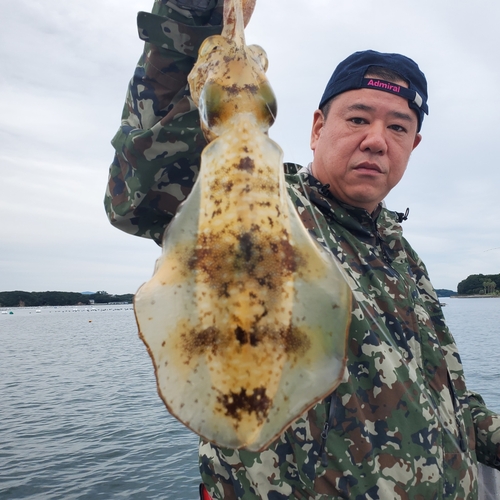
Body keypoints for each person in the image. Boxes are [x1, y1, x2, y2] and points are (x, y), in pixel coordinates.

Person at [105, 1, 500, 498]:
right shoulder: (258, 199)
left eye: (398, 127)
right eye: (358, 119)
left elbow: (452, 398)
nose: (377, 140)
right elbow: (141, 193)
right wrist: (194, 18)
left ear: (413, 146)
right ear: (316, 128)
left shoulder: (406, 261)